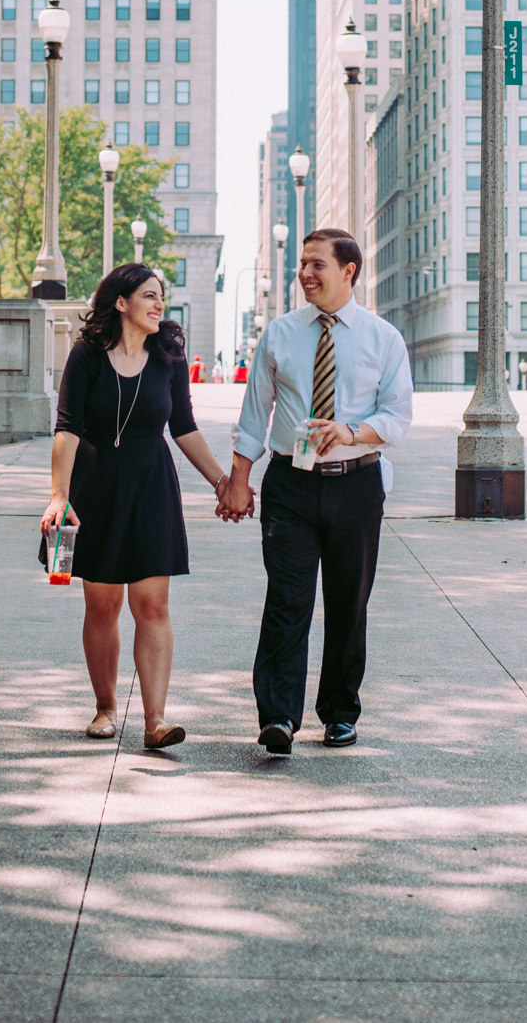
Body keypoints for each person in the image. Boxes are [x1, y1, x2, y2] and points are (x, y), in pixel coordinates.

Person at [222, 228, 412, 754]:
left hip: (357, 484)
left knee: (349, 604)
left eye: (316, 265)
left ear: (348, 270)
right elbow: (254, 415)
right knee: (287, 600)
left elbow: (397, 417)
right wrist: (239, 480)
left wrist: (350, 431)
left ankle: (340, 714)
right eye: (301, 264)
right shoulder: (281, 334)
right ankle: (279, 717)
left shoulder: (382, 338)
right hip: (290, 486)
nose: (305, 274)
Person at [41, 263, 233, 749]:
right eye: (148, 296)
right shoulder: (86, 356)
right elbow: (67, 427)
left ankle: (156, 721)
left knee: (152, 603)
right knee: (102, 604)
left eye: (161, 297)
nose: (158, 304)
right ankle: (105, 709)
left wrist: (222, 482)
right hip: (97, 489)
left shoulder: (168, 356)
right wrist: (59, 496)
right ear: (121, 302)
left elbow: (184, 427)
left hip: (152, 489)